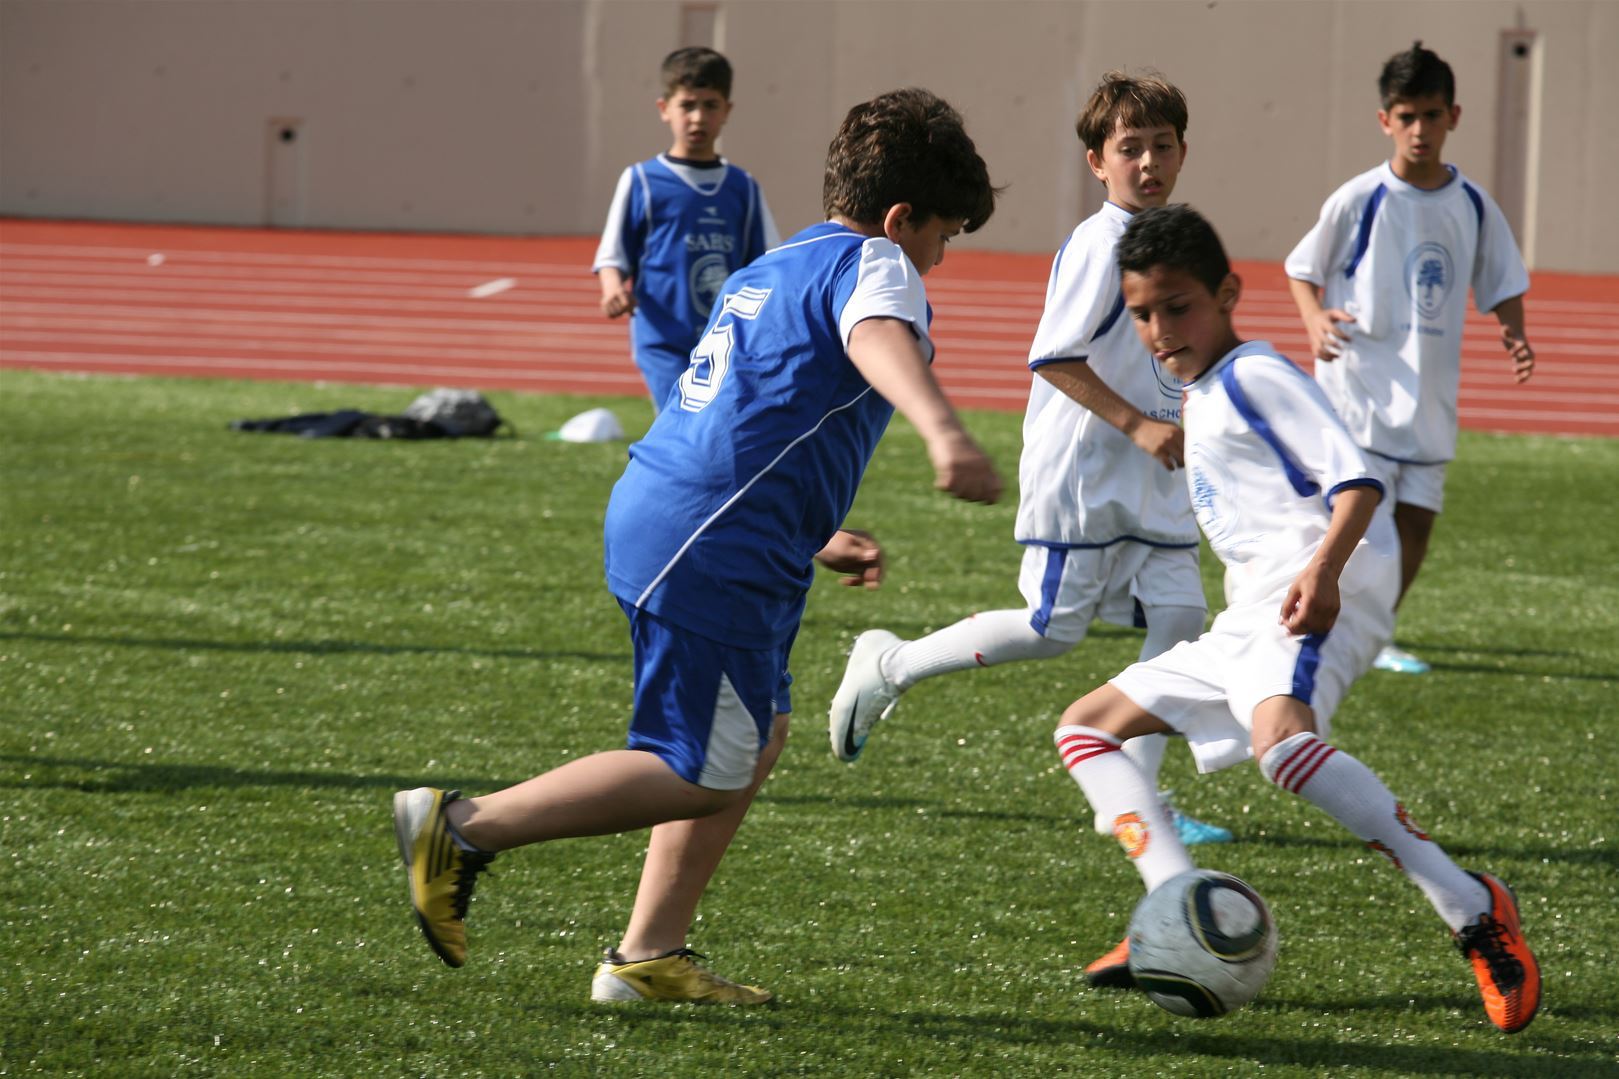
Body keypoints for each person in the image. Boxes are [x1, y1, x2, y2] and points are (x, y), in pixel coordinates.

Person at [394, 87, 1004, 1005]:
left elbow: (753, 407)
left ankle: (647, 956)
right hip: (713, 540)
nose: (939, 257)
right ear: (898, 217)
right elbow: (877, 335)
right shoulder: (876, 261)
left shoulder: (779, 261)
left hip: (697, 516)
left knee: (757, 736)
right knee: (700, 767)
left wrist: (812, 531)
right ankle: (464, 826)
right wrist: (944, 432)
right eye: (942, 235)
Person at [1052, 204, 1538, 1034]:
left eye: (1177, 306)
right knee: (1085, 729)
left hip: (1323, 583)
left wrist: (1322, 570)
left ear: (1227, 294)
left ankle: (1472, 907)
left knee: (1281, 746)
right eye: (1141, 313)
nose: (1159, 329)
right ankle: (1174, 899)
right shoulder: (1203, 389)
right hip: (1253, 610)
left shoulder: (1254, 375)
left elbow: (1356, 481)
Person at [827, 72, 1230, 938]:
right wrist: (1138, 424)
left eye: (1161, 145)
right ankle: (890, 663)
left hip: (1152, 474)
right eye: (1129, 148)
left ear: (1183, 152)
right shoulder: (1098, 243)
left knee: (1181, 621)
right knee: (1052, 629)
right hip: (1084, 475)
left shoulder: (1172, 240)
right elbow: (1053, 358)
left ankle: (1138, 798)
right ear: (1096, 162)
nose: (1148, 162)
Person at [1285, 41, 1534, 675]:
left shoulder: (1472, 204)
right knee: (1362, 525)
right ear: (1385, 120)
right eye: (1406, 116)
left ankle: (1375, 631)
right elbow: (1303, 268)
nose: (1419, 129)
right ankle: (1329, 618)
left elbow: (1502, 277)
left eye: (1430, 114)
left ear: (1454, 116)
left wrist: (1514, 330)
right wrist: (1314, 318)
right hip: (1361, 391)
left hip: (1428, 398)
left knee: (1417, 526)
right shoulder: (1360, 198)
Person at [593, 47, 781, 410]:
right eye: (687, 105)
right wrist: (612, 289)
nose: (698, 117)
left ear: (727, 111)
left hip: (725, 341)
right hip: (662, 340)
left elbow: (767, 264)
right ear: (665, 109)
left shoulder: (743, 187)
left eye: (710, 106)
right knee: (678, 425)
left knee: (719, 430)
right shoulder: (642, 181)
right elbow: (613, 256)